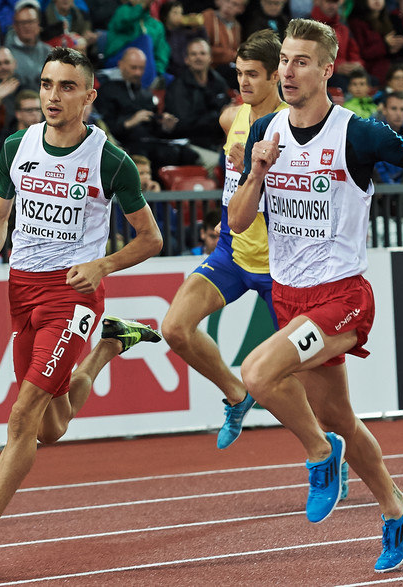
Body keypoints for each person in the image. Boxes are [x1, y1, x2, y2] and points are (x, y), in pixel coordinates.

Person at [0, 47, 163, 580]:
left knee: (21, 417)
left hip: (73, 297)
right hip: (22, 293)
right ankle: (108, 346)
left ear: (89, 95)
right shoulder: (17, 146)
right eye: (48, 85)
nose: (53, 96)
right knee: (50, 429)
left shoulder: (109, 159)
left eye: (67, 87)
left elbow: (151, 239)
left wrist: (103, 265)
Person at [227, 18, 403, 572]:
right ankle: (397, 508)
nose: (287, 71)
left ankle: (319, 454)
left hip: (342, 297)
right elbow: (237, 223)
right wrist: (257, 171)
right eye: (284, 59)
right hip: (288, 295)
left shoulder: (357, 132)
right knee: (342, 420)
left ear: (328, 69)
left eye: (301, 61)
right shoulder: (265, 132)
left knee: (257, 375)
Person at [162, 29, 286, 450]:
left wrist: (258, 175)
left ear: (276, 76)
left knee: (304, 379)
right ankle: (236, 395)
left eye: (253, 74)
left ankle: (327, 455)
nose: (243, 83)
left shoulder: (294, 125)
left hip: (282, 264)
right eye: (238, 73)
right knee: (175, 328)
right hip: (232, 251)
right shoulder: (230, 118)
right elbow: (235, 179)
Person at [96, 47, 200, 170]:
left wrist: (164, 126)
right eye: (133, 68)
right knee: (145, 155)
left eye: (141, 68)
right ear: (121, 65)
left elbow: (153, 127)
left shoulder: (145, 94)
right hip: (125, 143)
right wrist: (130, 122)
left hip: (150, 141)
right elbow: (104, 127)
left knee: (189, 155)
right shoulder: (107, 91)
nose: (138, 73)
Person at [164, 37, 231, 173]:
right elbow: (183, 124)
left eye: (202, 53)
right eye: (193, 54)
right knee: (222, 165)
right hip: (191, 145)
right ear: (186, 59)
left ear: (210, 58)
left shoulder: (219, 82)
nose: (198, 58)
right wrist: (218, 115)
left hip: (218, 144)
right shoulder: (178, 87)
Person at [347, 0, 403, 85]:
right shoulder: (356, 23)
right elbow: (361, 53)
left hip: (385, 70)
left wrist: (394, 47)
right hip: (368, 73)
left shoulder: (386, 20)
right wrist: (385, 44)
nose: (377, 1)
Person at [310, 0, 365, 90]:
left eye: (335, 3)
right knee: (342, 82)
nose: (332, 6)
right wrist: (336, 67)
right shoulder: (310, 25)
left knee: (371, 80)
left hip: (344, 71)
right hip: (322, 73)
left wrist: (356, 65)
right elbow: (311, 55)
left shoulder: (343, 26)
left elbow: (354, 51)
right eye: (328, 2)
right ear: (319, 2)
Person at [4, 0, 52, 93]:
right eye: (22, 22)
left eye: (31, 22)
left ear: (38, 24)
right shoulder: (6, 54)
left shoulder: (48, 51)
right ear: (15, 26)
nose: (27, 26)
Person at [201, 0, 246, 89]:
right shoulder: (208, 16)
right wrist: (232, 55)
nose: (228, 6)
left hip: (228, 69)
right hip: (210, 69)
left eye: (234, 4)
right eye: (227, 1)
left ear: (241, 9)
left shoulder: (237, 26)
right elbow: (204, 49)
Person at [374, 91, 403, 183]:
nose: (398, 114)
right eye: (394, 109)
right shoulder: (374, 133)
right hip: (380, 189)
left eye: (402, 109)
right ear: (384, 110)